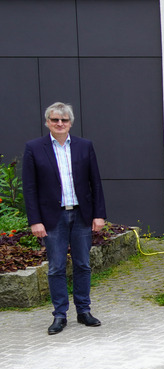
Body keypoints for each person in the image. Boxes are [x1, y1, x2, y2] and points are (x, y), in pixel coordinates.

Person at [22, 102, 107, 335]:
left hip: (81, 214)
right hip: (52, 217)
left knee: (83, 264)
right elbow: (29, 188)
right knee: (56, 267)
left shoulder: (84, 146)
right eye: (55, 120)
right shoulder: (34, 148)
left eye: (64, 120)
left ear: (71, 122)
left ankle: (83, 311)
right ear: (47, 122)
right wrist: (35, 221)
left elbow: (95, 183)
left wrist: (99, 214)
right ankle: (60, 314)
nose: (60, 124)